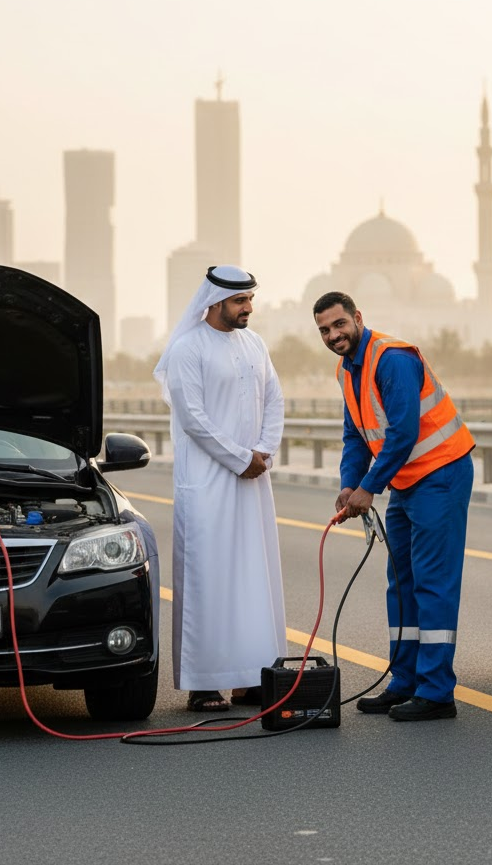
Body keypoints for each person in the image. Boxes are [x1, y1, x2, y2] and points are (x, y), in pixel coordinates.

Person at [313, 291, 475, 721]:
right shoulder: (347, 371)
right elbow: (356, 435)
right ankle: (405, 682)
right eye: (325, 330)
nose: (333, 335)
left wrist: (370, 488)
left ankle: (437, 692)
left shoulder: (392, 359)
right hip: (407, 480)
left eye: (339, 325)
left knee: (431, 582)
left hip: (440, 473)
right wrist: (350, 485)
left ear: (357, 318)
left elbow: (402, 432)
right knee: (400, 582)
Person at [154, 265, 286, 712]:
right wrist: (240, 457)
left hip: (253, 479)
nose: (248, 308)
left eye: (250, 300)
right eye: (239, 301)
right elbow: (193, 418)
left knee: (253, 577)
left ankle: (251, 678)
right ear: (214, 301)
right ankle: (205, 684)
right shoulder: (187, 349)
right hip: (207, 484)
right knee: (210, 580)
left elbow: (274, 398)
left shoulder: (255, 343)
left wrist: (264, 451)